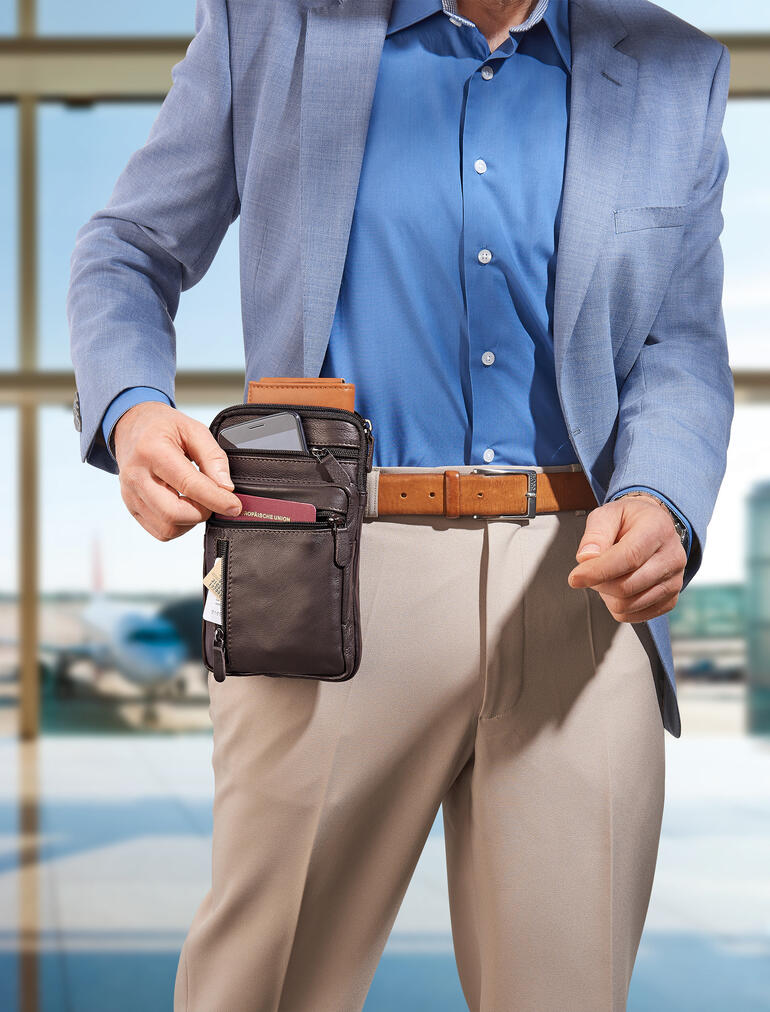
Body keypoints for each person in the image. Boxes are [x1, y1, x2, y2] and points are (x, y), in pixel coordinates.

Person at [67, 0, 734, 1008]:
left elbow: (677, 342)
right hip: (328, 575)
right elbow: (127, 247)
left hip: (583, 591)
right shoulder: (271, 26)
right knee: (261, 986)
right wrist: (131, 410)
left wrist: (661, 495)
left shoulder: (673, 68)